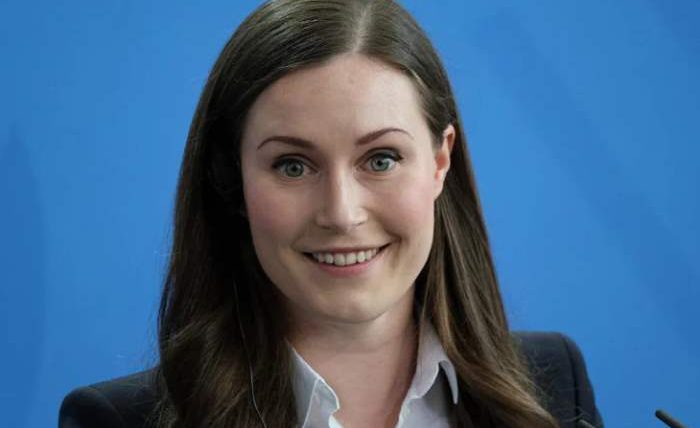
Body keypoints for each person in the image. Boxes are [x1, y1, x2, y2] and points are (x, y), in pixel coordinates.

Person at [59, 1, 603, 427]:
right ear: (232, 180)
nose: (341, 213)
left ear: (441, 161)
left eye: (381, 159)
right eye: (293, 166)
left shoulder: (555, 387)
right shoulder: (117, 421)